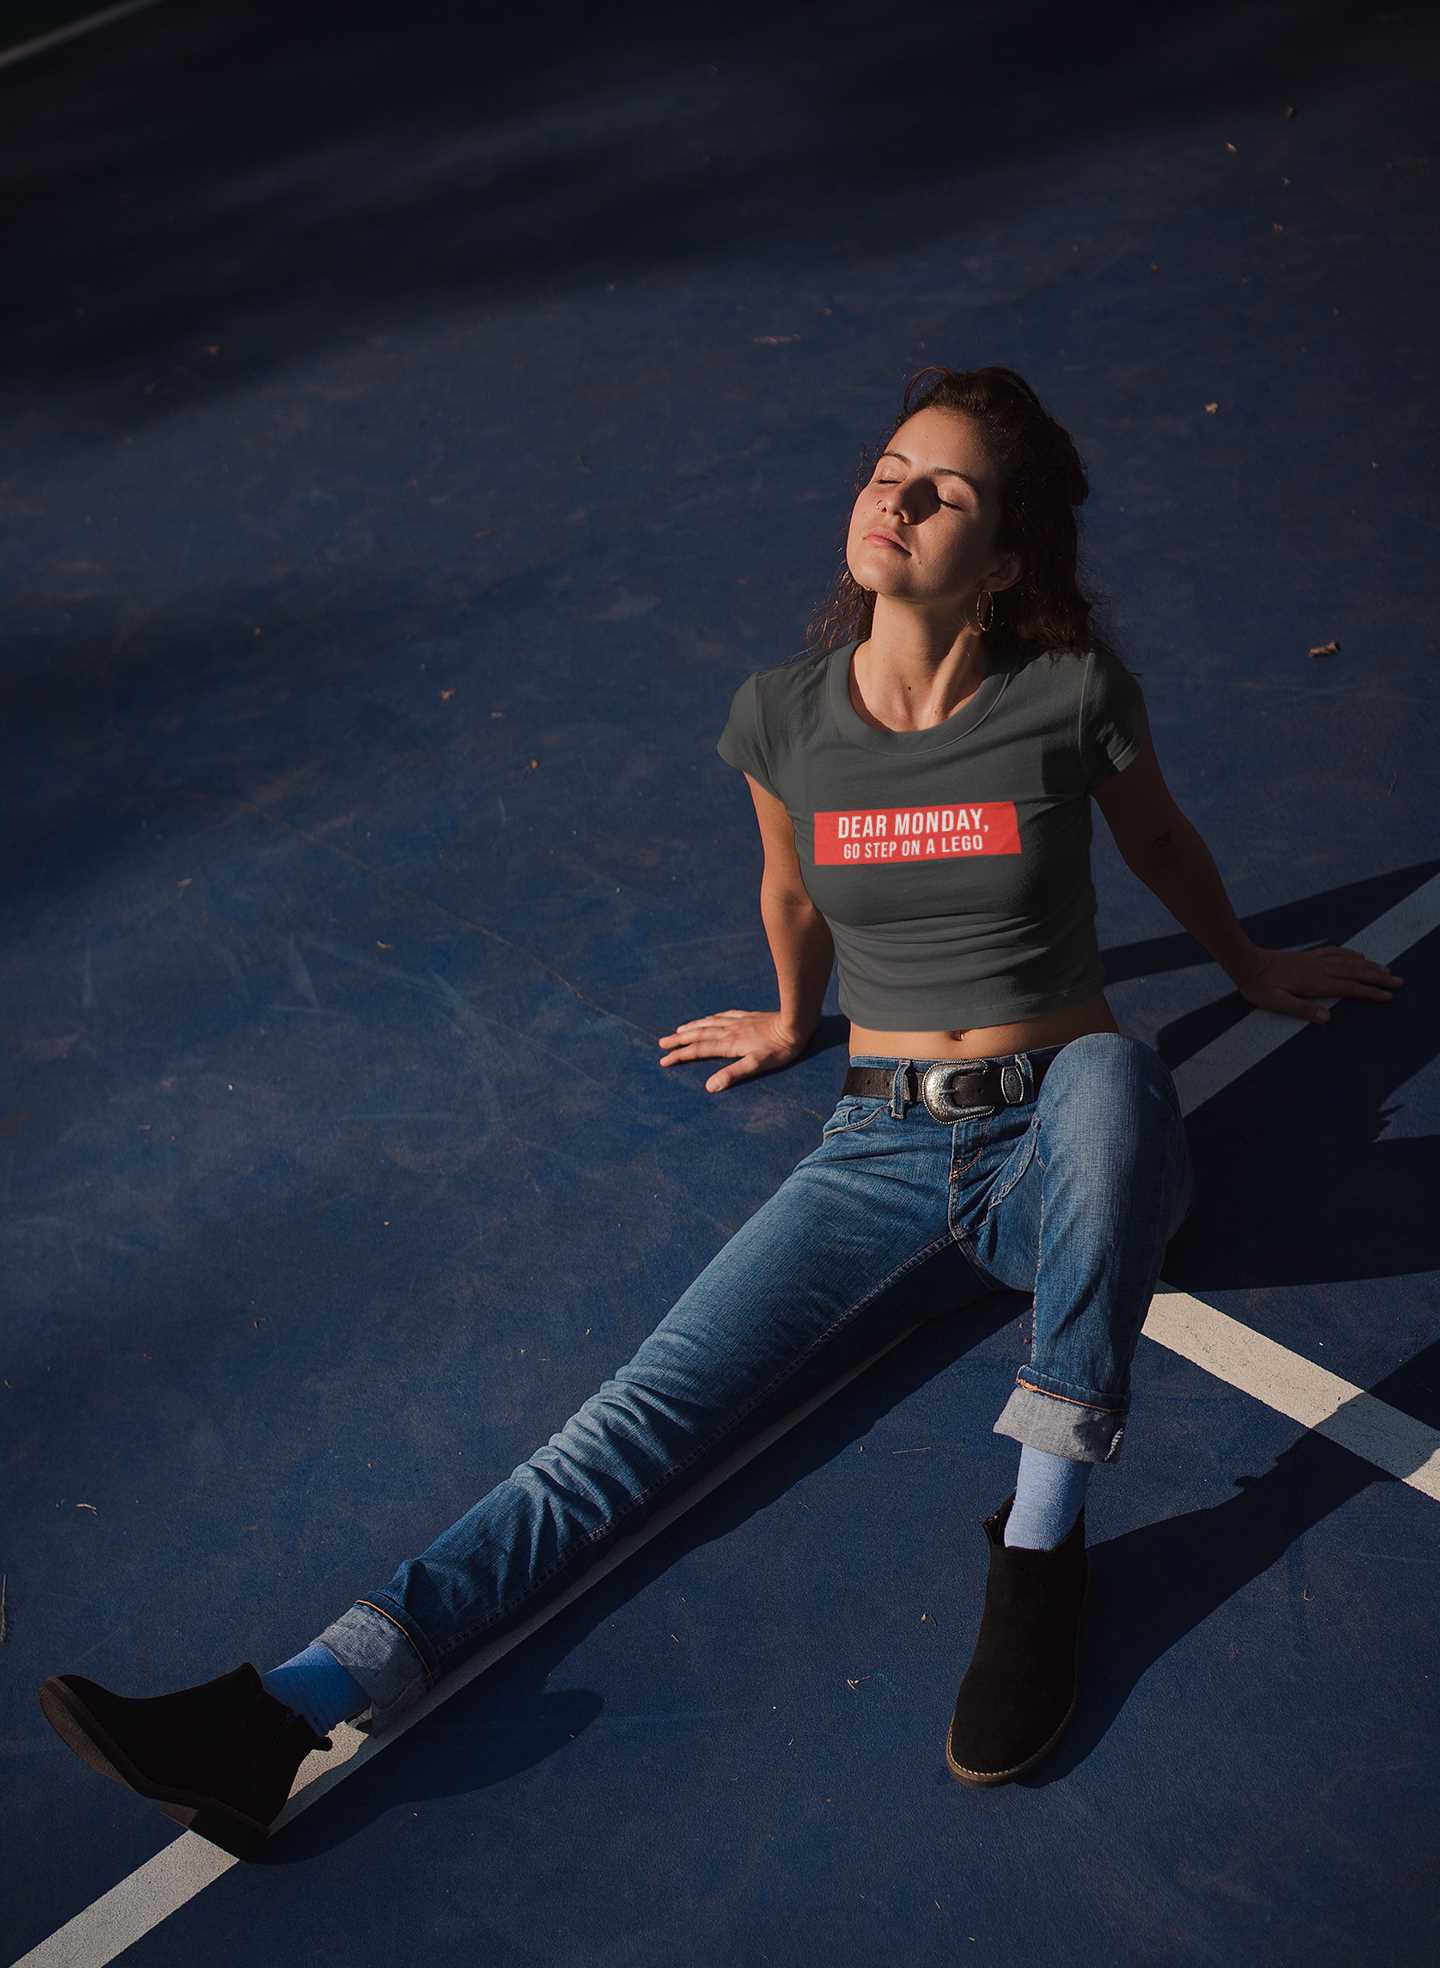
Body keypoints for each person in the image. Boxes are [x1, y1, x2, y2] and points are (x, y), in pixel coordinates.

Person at [37, 365, 1402, 1860]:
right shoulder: (785, 716)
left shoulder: (1070, 699)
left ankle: (1041, 1548)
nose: (897, 496)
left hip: (1063, 1150)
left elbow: (1162, 842)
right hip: (878, 1147)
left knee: (1117, 1071)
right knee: (624, 1429)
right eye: (889, 467)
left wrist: (1252, 964)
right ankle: (285, 1709)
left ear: (1002, 562)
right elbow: (793, 884)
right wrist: (796, 1016)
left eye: (942, 489)